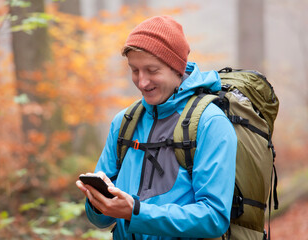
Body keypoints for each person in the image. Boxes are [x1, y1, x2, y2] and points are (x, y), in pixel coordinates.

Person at [76, 15, 237, 240]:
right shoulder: (124, 122)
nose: (142, 82)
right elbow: (101, 220)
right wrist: (97, 201)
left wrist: (136, 212)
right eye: (134, 70)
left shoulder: (210, 123)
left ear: (177, 69)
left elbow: (214, 217)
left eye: (152, 70)